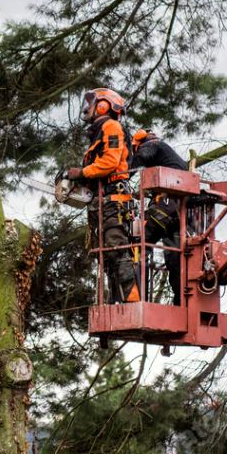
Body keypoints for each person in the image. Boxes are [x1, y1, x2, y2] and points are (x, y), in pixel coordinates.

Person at [63, 88, 139, 303]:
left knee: (116, 248)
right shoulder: (98, 132)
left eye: (92, 103)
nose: (88, 108)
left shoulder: (111, 126)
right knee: (104, 254)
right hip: (101, 201)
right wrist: (79, 180)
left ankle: (132, 300)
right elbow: (99, 167)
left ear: (104, 105)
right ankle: (117, 302)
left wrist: (82, 172)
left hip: (114, 199)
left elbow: (110, 162)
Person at [129, 130, 187, 305]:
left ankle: (136, 299)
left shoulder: (152, 146)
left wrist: (120, 176)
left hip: (164, 208)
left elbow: (140, 158)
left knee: (138, 243)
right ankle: (182, 304)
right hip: (179, 213)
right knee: (176, 258)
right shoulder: (171, 160)